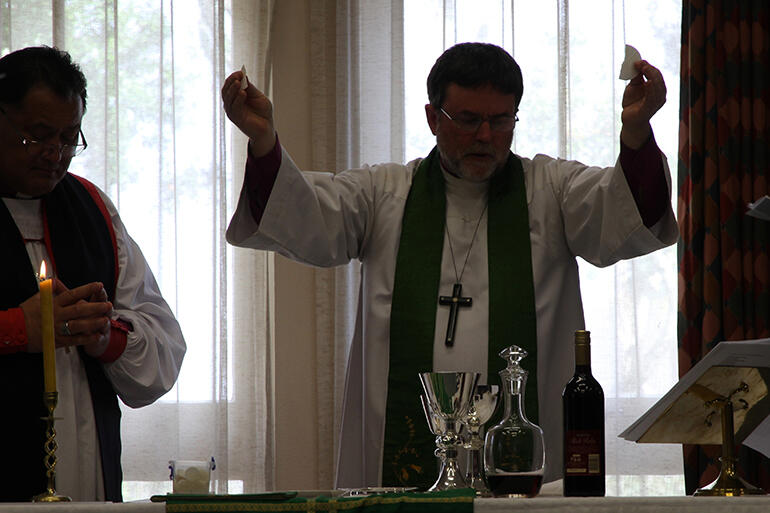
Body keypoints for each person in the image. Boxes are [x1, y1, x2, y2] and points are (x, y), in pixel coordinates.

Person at [222, 42, 677, 489]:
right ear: (432, 118)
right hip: (402, 459)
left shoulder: (550, 191)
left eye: (500, 121)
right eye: (468, 119)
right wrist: (264, 142)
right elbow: (306, 216)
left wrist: (635, 136)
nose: (485, 136)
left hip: (523, 466)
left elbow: (621, 211)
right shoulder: (385, 194)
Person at [0, 46, 186, 501]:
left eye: (68, 137)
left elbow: (163, 353)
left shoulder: (91, 208)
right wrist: (16, 330)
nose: (54, 155)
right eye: (37, 135)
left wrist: (105, 336)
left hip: (89, 480)